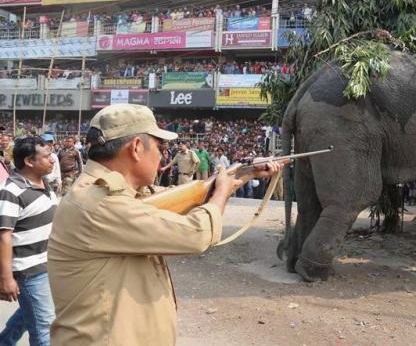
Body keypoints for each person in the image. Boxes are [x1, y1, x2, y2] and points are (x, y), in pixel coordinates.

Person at [47, 104, 283, 346]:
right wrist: (221, 192)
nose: (162, 155)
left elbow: (182, 196)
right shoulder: (98, 202)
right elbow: (196, 233)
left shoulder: (113, 194)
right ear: (137, 147)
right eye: (160, 147)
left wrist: (243, 174)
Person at [0, 137, 57, 346]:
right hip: (29, 270)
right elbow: (3, 236)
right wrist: (6, 278)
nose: (52, 160)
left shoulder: (44, 183)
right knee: (45, 327)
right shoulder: (11, 191)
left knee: (27, 314)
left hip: (47, 263)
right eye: (46, 157)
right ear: (29, 162)